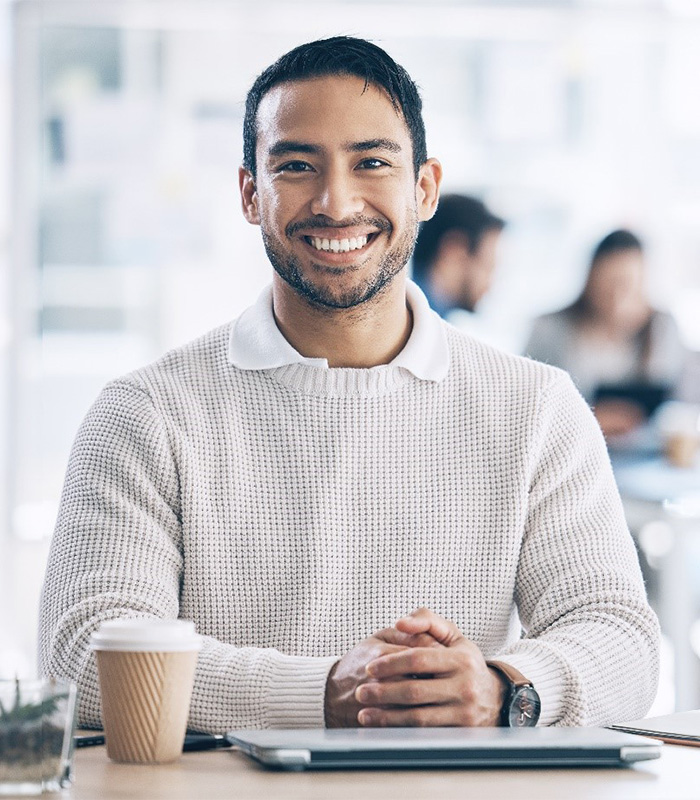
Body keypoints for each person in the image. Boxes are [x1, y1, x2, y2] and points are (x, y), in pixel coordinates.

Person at [39, 37, 659, 734]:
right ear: (250, 194)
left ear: (423, 189)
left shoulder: (536, 409)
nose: (336, 203)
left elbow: (621, 640)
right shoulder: (146, 414)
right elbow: (82, 652)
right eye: (298, 166)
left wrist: (503, 688)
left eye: (371, 162)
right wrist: (328, 692)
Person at [525, 230, 686, 438]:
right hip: (571, 446)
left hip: (644, 451)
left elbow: (676, 397)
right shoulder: (549, 328)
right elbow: (527, 404)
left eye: (628, 285)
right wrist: (589, 417)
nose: (617, 299)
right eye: (609, 285)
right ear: (590, 279)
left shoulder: (662, 326)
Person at [412, 194, 505, 318]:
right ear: (455, 253)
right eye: (487, 267)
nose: (490, 286)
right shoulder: (414, 320)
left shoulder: (430, 317)